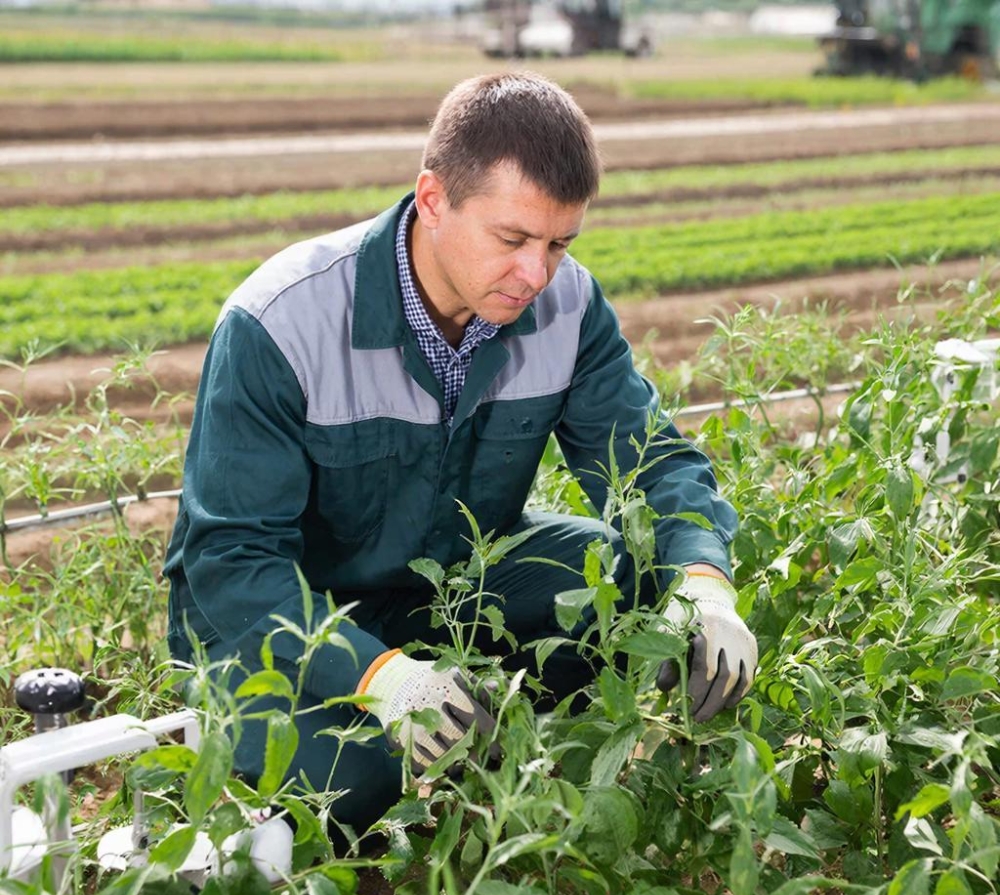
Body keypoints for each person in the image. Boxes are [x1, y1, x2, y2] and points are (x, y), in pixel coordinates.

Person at [163, 71, 757, 835]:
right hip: (279, 620)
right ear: (433, 199)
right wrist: (380, 678)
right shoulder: (283, 322)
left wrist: (705, 587)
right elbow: (234, 563)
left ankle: (486, 719)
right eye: (512, 240)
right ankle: (373, 725)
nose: (536, 274)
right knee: (355, 779)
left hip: (442, 591)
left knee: (635, 580)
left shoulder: (568, 307)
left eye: (559, 243)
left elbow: (650, 463)